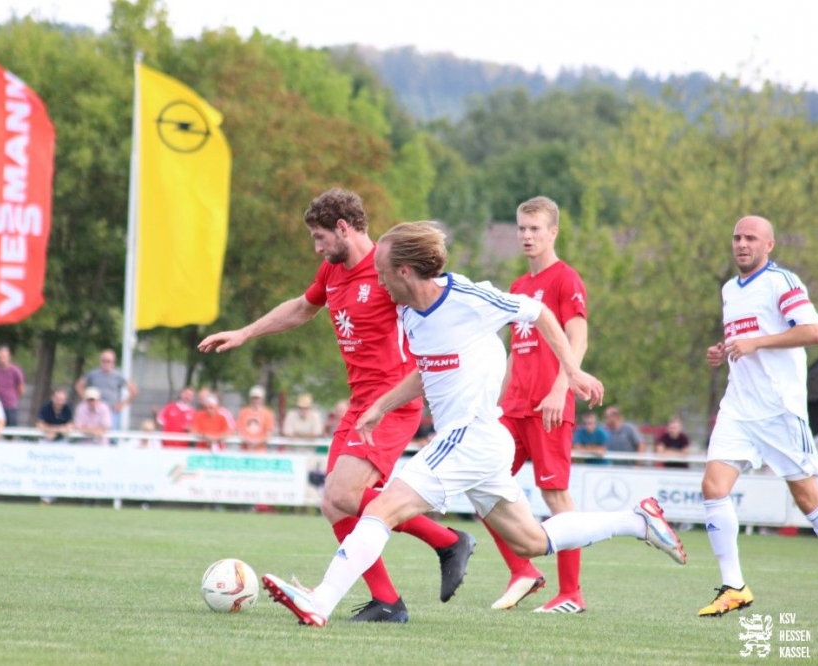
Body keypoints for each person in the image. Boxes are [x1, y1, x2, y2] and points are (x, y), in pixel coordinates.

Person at [262, 221, 686, 627]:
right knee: (530, 541)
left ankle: (320, 601)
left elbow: (539, 312)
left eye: (382, 271)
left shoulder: (466, 296)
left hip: (469, 435)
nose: (378, 280)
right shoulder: (410, 314)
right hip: (483, 443)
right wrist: (381, 406)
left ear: (404, 271)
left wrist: (572, 372)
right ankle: (637, 521)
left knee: (380, 509)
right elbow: (426, 370)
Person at [199, 189, 475, 622]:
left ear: (343, 228)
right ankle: (388, 601)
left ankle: (448, 541)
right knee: (333, 502)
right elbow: (301, 308)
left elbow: (436, 312)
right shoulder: (332, 270)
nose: (317, 247)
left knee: (344, 494)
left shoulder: (388, 271)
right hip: (359, 404)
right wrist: (245, 333)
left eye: (320, 237)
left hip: (391, 404)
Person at [699, 215, 818, 617]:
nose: (742, 244)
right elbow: (743, 340)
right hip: (738, 407)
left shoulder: (782, 282)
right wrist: (723, 350)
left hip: (778, 409)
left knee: (807, 498)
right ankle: (734, 586)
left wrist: (757, 343)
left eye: (751, 238)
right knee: (713, 487)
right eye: (737, 237)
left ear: (769, 245)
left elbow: (812, 330)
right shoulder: (730, 289)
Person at [485, 196, 591, 613]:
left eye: (535, 229)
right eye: (522, 228)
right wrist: (496, 402)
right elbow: (517, 349)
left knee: (556, 497)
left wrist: (560, 388)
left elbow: (577, 340)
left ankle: (571, 594)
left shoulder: (566, 279)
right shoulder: (517, 286)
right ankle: (522, 571)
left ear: (553, 232)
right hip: (513, 408)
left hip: (549, 407)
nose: (526, 236)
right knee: (480, 482)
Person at [75, 349, 138, 431]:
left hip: (112, 412)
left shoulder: (118, 375)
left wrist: (122, 404)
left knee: (112, 436)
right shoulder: (93, 374)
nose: (106, 363)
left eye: (108, 361)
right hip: (95, 412)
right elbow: (79, 386)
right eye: (103, 361)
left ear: (113, 363)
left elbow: (134, 390)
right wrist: (86, 399)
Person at [0, 345, 25, 429]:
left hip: (10, 406)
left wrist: (13, 398)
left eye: (4, 357)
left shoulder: (15, 371)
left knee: (11, 431)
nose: (1, 359)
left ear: (8, 357)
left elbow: (21, 387)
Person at [236, 385, 276, 452]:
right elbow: (239, 431)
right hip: (244, 450)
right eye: (253, 398)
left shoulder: (268, 414)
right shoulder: (243, 412)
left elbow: (269, 434)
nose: (255, 400)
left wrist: (257, 442)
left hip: (260, 451)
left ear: (262, 399)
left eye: (257, 398)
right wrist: (248, 441)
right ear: (250, 399)